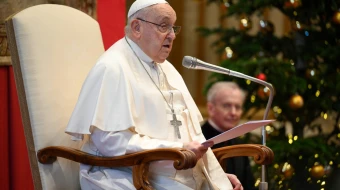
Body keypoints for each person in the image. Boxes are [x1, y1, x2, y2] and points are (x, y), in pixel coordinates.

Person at [65, 0, 243, 189]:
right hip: (122, 175)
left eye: (174, 28)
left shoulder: (166, 69)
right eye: (164, 26)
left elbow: (192, 135)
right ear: (137, 27)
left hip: (171, 171)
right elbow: (111, 142)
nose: (172, 35)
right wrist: (177, 150)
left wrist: (217, 177)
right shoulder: (112, 67)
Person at [201, 82, 256, 190]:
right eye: (227, 106)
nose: (233, 113)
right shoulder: (198, 139)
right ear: (211, 108)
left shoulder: (240, 144)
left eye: (238, 107)